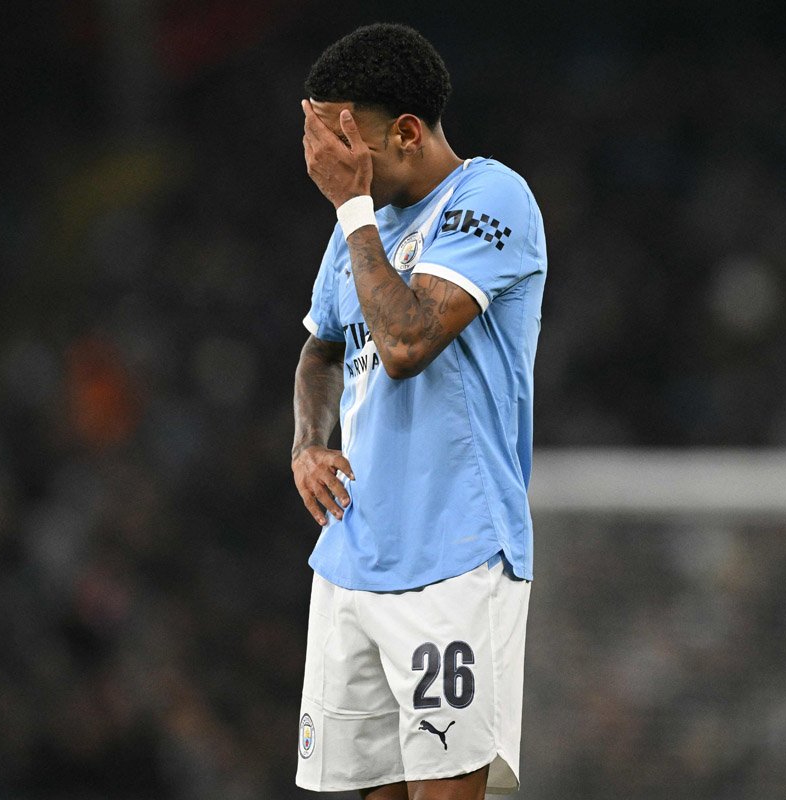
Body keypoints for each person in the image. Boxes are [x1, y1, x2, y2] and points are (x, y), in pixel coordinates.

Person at [290, 23, 547, 800]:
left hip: (456, 553)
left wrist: (353, 208)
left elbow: (405, 343)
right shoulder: (354, 234)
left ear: (404, 132)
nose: (328, 163)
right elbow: (320, 349)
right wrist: (308, 442)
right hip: (351, 559)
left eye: (344, 140)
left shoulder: (490, 197)